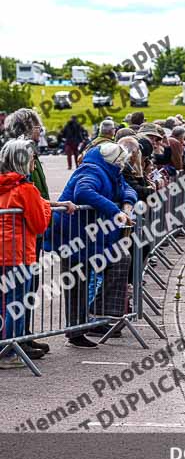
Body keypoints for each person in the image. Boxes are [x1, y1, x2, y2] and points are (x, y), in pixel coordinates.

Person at [47, 143, 137, 349]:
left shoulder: (110, 171)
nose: (124, 166)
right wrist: (115, 211)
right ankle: (77, 331)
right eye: (122, 162)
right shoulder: (92, 170)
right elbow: (83, 192)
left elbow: (127, 188)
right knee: (77, 283)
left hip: (90, 237)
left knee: (120, 258)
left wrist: (127, 204)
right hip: (73, 236)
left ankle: (96, 313)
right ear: (115, 161)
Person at [0, 140, 53, 368]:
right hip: (19, 254)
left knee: (4, 303)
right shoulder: (26, 189)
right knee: (17, 303)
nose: (34, 162)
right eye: (32, 159)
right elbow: (40, 224)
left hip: (4, 252)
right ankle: (9, 352)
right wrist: (46, 207)